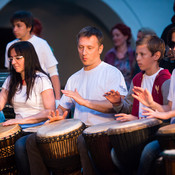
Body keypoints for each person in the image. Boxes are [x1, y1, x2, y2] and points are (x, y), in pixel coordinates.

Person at [26, 26, 128, 175]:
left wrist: (85, 101)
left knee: (82, 140)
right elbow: (61, 110)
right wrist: (57, 117)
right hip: (78, 132)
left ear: (100, 49)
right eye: (81, 47)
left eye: (89, 48)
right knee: (31, 141)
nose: (84, 52)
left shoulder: (111, 73)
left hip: (103, 132)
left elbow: (117, 106)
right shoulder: (74, 79)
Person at [104, 35, 171, 175]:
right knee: (115, 154)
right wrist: (118, 102)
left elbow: (168, 116)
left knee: (147, 153)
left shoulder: (165, 80)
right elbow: (129, 108)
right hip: (139, 131)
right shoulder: (137, 79)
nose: (138, 58)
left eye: (142, 54)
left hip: (156, 132)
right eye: (136, 54)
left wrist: (146, 112)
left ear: (156, 55)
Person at [2, 41, 55, 175]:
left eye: (18, 58)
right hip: (18, 131)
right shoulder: (11, 80)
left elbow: (49, 111)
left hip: (39, 130)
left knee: (20, 146)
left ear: (29, 57)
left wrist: (19, 121)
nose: (13, 62)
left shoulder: (42, 80)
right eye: (11, 59)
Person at [4, 11, 61, 105]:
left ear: (29, 27)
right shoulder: (10, 46)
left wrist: (58, 99)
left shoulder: (42, 44)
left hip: (40, 92)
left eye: (19, 26)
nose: (15, 29)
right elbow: (11, 72)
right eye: (13, 26)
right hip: (19, 93)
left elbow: (53, 72)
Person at [104, 23, 136, 90]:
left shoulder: (133, 54)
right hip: (113, 90)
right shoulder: (109, 55)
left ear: (126, 36)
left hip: (130, 91)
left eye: (117, 35)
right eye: (113, 36)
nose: (114, 38)